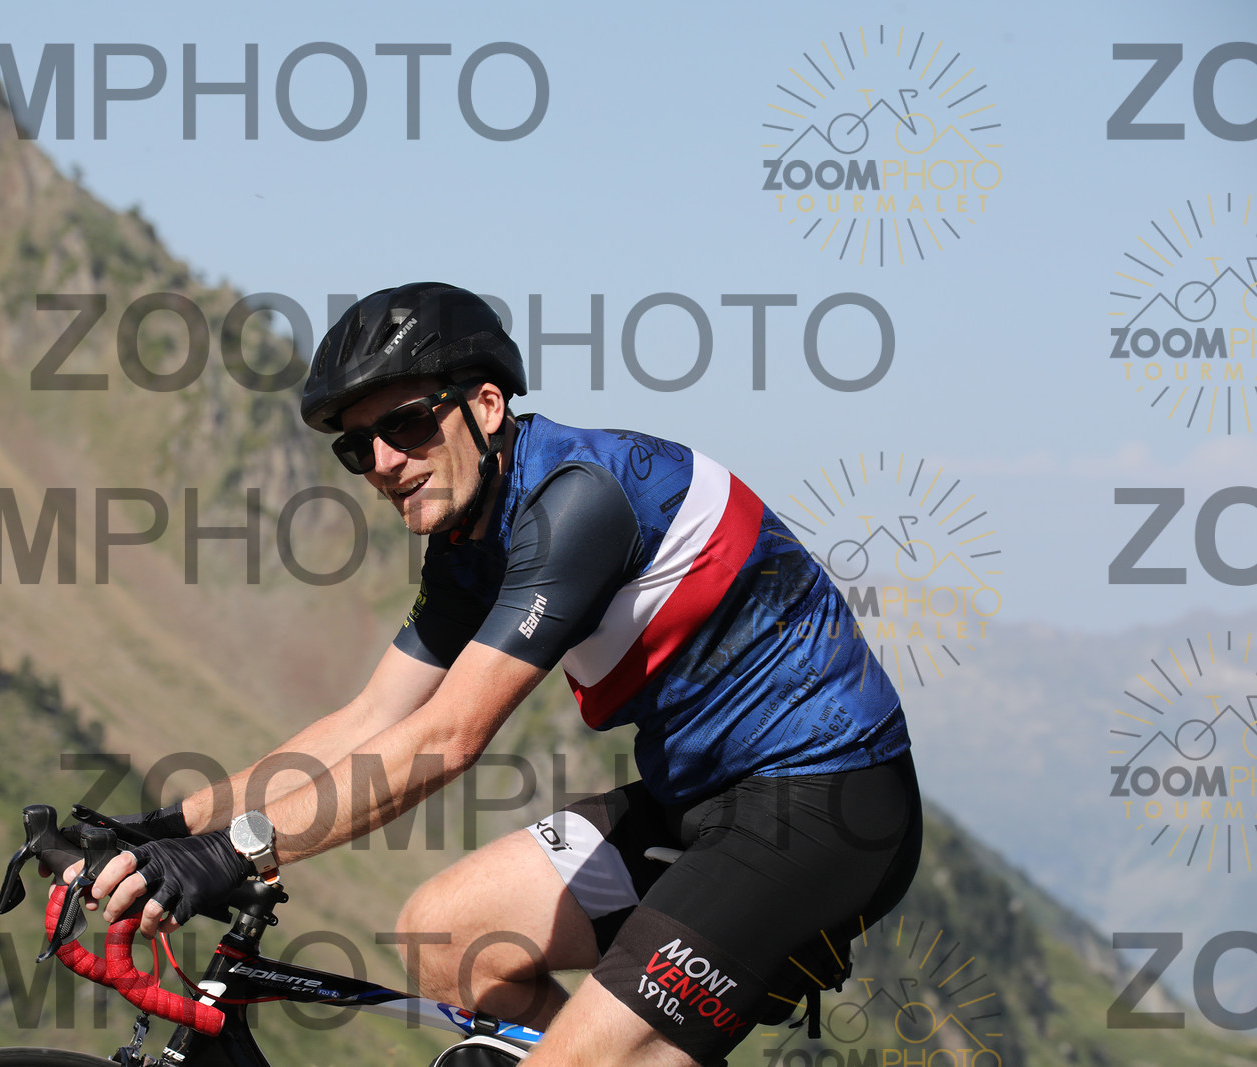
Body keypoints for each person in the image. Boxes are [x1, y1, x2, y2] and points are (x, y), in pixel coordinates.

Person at [84, 282, 922, 1066]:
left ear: (487, 406)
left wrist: (240, 849)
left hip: (826, 807)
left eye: (408, 423)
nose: (384, 460)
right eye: (357, 445)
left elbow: (447, 737)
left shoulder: (578, 501)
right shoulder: (467, 542)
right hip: (698, 797)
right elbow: (372, 716)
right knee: (446, 937)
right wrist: (166, 829)